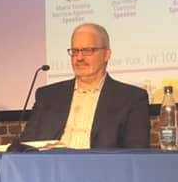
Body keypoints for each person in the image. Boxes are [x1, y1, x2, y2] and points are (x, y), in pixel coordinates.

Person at [20, 23, 149, 148]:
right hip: (52, 167)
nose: (79, 57)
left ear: (106, 55)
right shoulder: (48, 96)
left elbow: (136, 153)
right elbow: (26, 146)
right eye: (75, 51)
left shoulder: (131, 99)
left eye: (88, 50)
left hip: (99, 168)